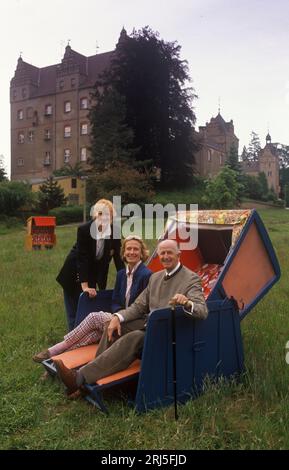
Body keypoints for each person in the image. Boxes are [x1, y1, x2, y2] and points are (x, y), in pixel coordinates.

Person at [53, 239, 208, 396]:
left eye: (170, 252)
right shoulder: (155, 278)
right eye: (162, 253)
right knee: (111, 326)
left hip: (169, 333)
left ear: (178, 254)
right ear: (158, 255)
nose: (166, 256)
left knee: (134, 337)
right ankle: (88, 378)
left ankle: (79, 378)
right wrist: (117, 317)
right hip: (149, 325)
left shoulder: (191, 278)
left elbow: (203, 311)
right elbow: (138, 306)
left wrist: (188, 303)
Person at [33, 236, 152, 362]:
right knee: (90, 337)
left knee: (94, 317)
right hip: (117, 318)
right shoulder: (121, 274)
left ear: (142, 253)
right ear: (123, 252)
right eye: (128, 249)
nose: (131, 252)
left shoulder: (146, 275)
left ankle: (55, 349)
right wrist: (117, 314)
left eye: (136, 249)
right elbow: (115, 301)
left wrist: (120, 317)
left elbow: (143, 307)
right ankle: (55, 361)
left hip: (133, 323)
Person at [56, 199, 124, 331]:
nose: (104, 217)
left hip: (92, 273)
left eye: (108, 214)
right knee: (75, 314)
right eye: (100, 214)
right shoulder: (85, 229)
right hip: (74, 271)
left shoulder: (114, 231)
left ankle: (86, 339)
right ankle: (72, 342)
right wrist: (85, 286)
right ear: (95, 215)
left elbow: (119, 260)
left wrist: (126, 282)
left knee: (89, 311)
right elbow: (83, 259)